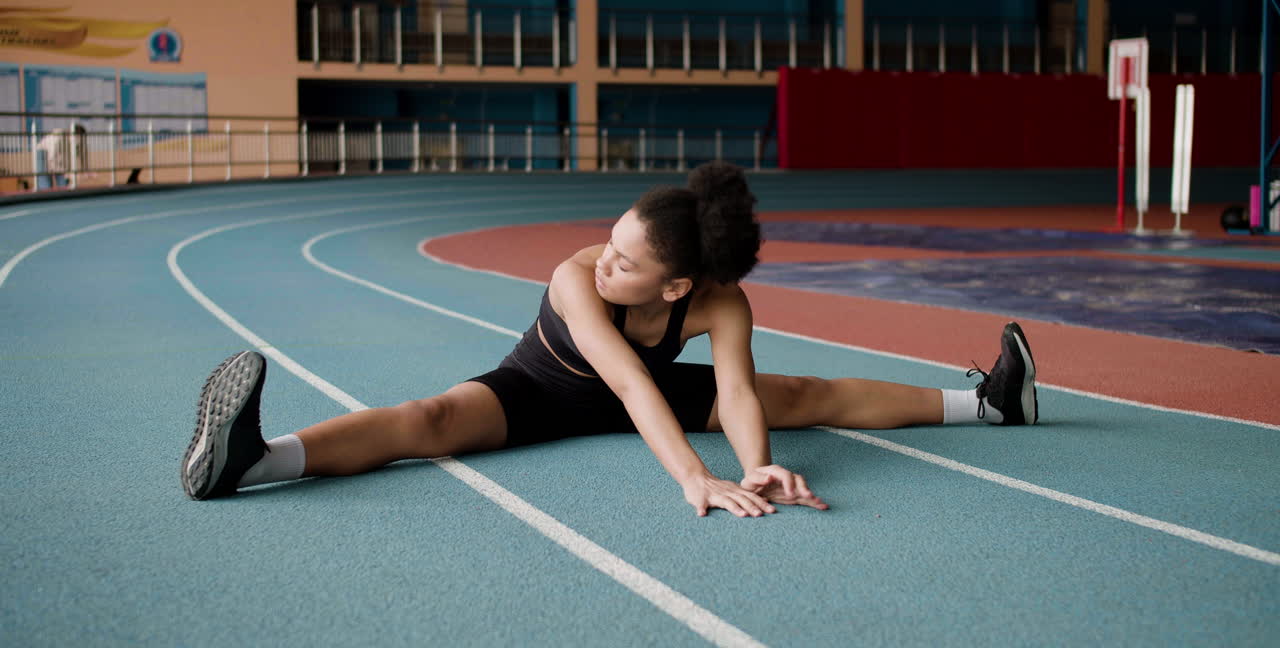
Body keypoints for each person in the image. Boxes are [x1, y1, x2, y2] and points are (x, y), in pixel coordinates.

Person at [181, 163, 1038, 517]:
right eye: (612, 240)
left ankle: (990, 405)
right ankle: (255, 461)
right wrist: (697, 479)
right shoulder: (573, 277)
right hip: (543, 391)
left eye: (626, 261)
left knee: (804, 396)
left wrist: (753, 465)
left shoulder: (722, 305)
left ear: (676, 288)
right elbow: (627, 385)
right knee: (427, 418)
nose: (604, 260)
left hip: (648, 393)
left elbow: (736, 391)